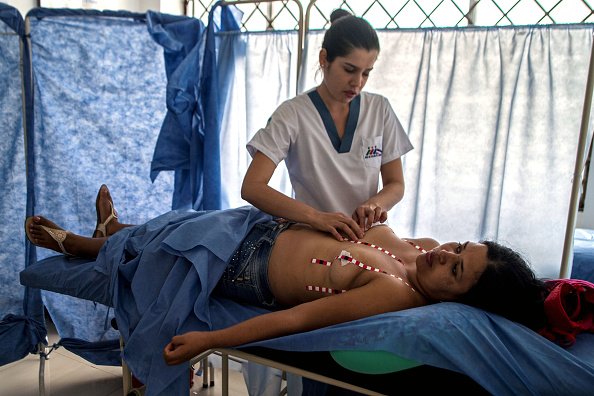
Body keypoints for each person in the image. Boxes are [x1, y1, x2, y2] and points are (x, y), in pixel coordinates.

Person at [25, 185, 549, 368]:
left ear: (461, 301)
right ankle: (112, 230)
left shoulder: (396, 295)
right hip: (262, 227)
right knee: (177, 222)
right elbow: (379, 219)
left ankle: (83, 242)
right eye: (462, 247)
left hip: (243, 266)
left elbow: (297, 320)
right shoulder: (424, 250)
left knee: (166, 245)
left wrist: (212, 339)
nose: (446, 255)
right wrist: (364, 217)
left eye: (457, 270)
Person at [242, 10, 414, 242]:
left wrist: (375, 204)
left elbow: (395, 184)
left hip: (366, 237)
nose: (357, 82)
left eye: (366, 73)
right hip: (313, 240)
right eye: (349, 70)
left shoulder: (380, 109)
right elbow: (252, 187)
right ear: (324, 59)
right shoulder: (293, 113)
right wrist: (316, 217)